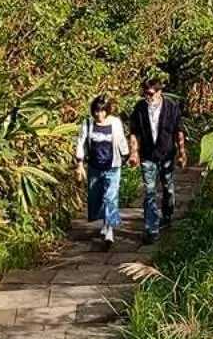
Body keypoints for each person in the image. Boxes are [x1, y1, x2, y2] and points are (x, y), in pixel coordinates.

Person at [127, 70, 186, 244]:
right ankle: (151, 228)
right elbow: (134, 132)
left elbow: (179, 131)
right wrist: (133, 152)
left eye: (151, 93)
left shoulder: (171, 108)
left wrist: (182, 153)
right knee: (149, 191)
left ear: (159, 92)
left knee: (168, 187)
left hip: (166, 154)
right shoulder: (140, 108)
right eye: (145, 94)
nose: (148, 97)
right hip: (147, 155)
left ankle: (167, 216)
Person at [75, 94, 130, 251]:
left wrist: (127, 154)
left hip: (112, 165)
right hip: (94, 166)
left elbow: (120, 140)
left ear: (107, 111)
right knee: (96, 197)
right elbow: (80, 143)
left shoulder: (115, 123)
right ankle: (104, 222)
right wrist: (79, 164)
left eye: (102, 111)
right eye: (97, 111)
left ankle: (109, 230)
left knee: (110, 197)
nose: (100, 115)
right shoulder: (87, 124)